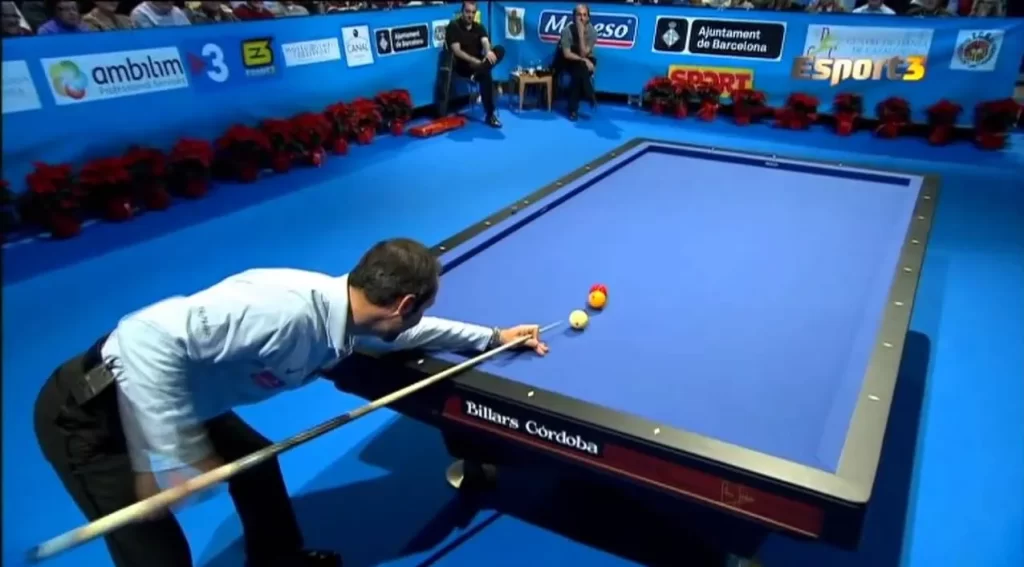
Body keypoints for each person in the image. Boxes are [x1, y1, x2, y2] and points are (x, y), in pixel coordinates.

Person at [34, 238, 550, 567]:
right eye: (417, 310)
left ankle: (277, 559)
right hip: (92, 414)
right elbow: (143, 336)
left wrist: (491, 337)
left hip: (184, 400)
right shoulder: (279, 310)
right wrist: (177, 452)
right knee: (158, 554)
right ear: (404, 303)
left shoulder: (349, 309)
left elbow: (412, 333)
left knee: (256, 465)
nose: (414, 320)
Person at [446, 0, 505, 128]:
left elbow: (485, 41)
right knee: (486, 74)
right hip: (464, 66)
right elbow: (457, 51)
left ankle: (479, 72)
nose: (470, 15)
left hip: (480, 65)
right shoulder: (454, 26)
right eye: (467, 12)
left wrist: (488, 52)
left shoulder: (479, 27)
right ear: (462, 12)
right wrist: (477, 62)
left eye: (473, 12)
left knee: (500, 50)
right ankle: (490, 115)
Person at [557, 4, 598, 121]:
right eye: (579, 15)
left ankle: (573, 110)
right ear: (574, 17)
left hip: (586, 58)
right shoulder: (566, 31)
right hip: (569, 59)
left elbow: (584, 53)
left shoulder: (592, 32)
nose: (582, 18)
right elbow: (567, 54)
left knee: (579, 71)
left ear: (588, 18)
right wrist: (583, 60)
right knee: (580, 69)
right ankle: (589, 92)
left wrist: (581, 35)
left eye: (584, 15)